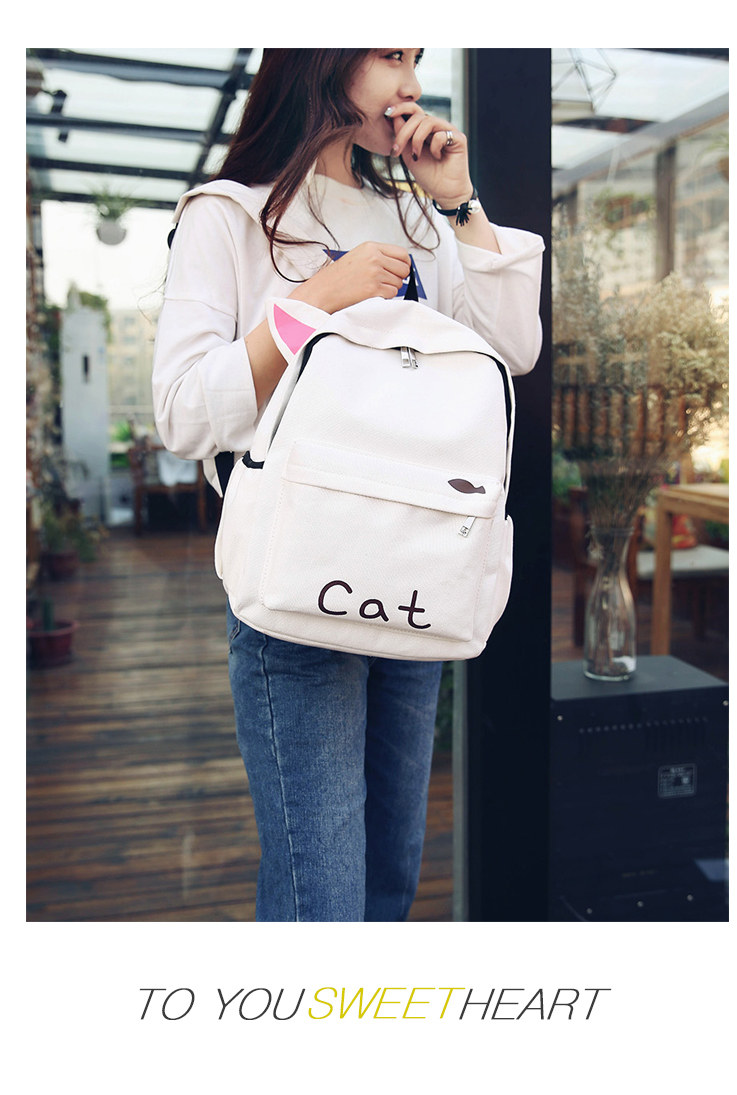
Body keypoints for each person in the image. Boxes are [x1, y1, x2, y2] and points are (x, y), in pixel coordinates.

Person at [152, 48, 544, 922]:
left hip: (413, 573)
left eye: (416, 57)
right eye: (388, 54)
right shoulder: (230, 214)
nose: (412, 84)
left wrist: (459, 202)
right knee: (321, 898)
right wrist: (311, 305)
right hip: (296, 577)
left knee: (388, 877)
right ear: (322, 53)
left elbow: (511, 349)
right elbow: (181, 412)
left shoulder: (416, 217)